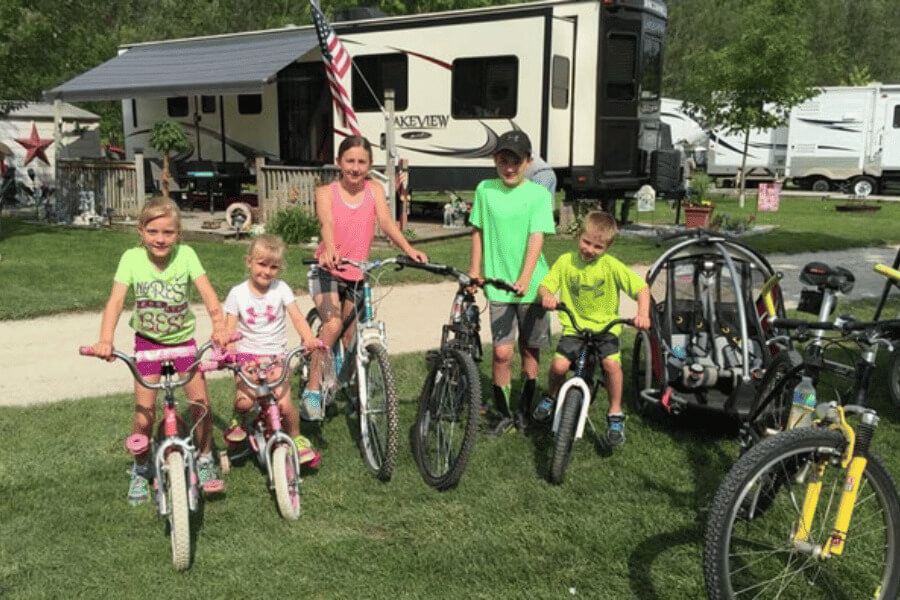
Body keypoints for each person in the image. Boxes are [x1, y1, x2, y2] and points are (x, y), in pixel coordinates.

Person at [92, 198, 230, 505]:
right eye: (153, 231)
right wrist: (105, 338)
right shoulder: (131, 258)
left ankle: (206, 457)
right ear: (141, 231)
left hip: (182, 342)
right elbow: (115, 302)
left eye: (168, 232)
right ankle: (141, 468)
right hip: (148, 343)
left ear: (178, 233)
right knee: (144, 417)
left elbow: (208, 295)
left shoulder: (187, 255)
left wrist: (219, 325)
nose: (160, 238)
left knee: (201, 405)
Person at [304, 136, 428, 412]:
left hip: (357, 273)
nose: (356, 168)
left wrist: (408, 248)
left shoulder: (374, 190)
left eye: (362, 162)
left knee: (351, 338)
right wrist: (330, 249)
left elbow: (385, 222)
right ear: (339, 162)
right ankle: (311, 390)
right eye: (350, 161)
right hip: (327, 270)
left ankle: (344, 386)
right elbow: (327, 222)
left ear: (370, 165)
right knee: (333, 325)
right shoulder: (326, 192)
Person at [535, 211, 651, 446]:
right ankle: (551, 395)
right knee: (558, 366)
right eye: (586, 242)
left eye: (598, 247)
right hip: (574, 327)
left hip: (605, 329)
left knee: (611, 365)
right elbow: (546, 286)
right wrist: (547, 296)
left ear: (608, 247)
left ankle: (615, 413)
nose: (590, 249)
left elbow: (642, 289)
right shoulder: (565, 261)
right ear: (579, 236)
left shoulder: (611, 266)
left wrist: (642, 314)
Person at [468, 130, 556, 435]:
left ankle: (524, 411)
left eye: (516, 162)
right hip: (498, 286)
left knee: (530, 349)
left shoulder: (539, 195)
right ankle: (503, 414)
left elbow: (537, 238)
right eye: (503, 160)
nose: (509, 168)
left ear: (528, 162)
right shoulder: (485, 190)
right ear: (495, 160)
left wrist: (526, 277)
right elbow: (477, 230)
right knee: (502, 352)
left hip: (532, 287)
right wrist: (474, 270)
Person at [221, 234, 321, 467]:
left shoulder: (281, 289)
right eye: (261, 264)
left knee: (285, 405)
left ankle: (296, 437)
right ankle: (239, 419)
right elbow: (230, 327)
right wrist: (231, 353)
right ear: (249, 262)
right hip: (247, 357)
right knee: (245, 401)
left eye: (273, 267)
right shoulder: (237, 293)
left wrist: (308, 338)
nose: (267, 271)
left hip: (276, 356)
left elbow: (296, 316)